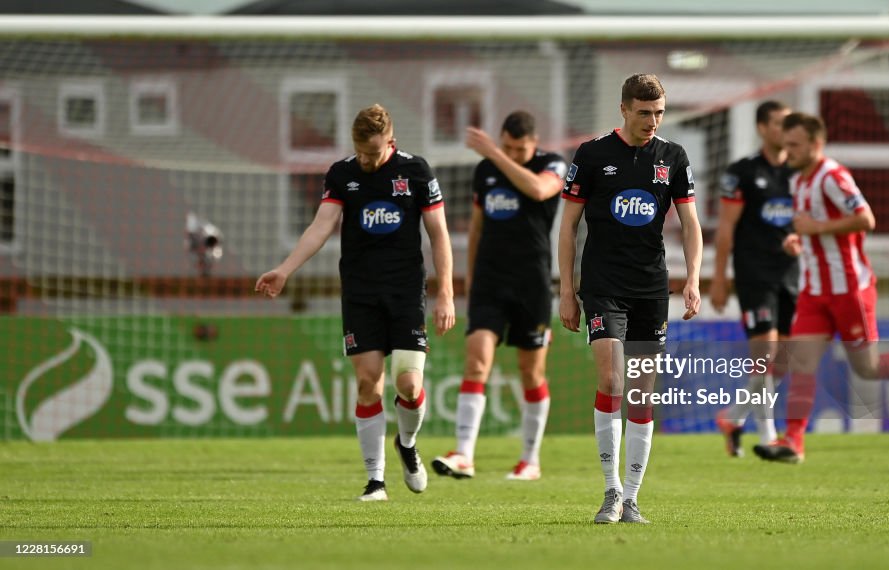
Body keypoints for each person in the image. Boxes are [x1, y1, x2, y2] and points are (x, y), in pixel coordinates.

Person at [255, 104, 456, 500]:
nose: (367, 160)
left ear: (391, 142)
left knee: (410, 385)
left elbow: (439, 234)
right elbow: (321, 227)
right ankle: (375, 480)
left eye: (375, 153)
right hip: (361, 293)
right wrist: (285, 269)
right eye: (361, 152)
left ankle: (408, 444)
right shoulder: (342, 174)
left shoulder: (416, 172)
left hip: (405, 291)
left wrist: (446, 292)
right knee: (368, 383)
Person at [753, 112, 889, 465]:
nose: (788, 151)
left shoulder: (833, 176)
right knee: (801, 362)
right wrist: (800, 241)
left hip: (850, 290)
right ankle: (793, 442)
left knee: (867, 368)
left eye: (795, 145)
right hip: (815, 291)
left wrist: (816, 228)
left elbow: (866, 218)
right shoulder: (799, 181)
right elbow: (813, 229)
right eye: (785, 145)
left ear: (817, 144)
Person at [558, 74, 702, 524]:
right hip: (603, 287)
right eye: (644, 113)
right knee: (612, 381)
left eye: (659, 112)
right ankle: (610, 490)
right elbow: (568, 227)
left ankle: (633, 498)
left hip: (651, 289)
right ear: (624, 109)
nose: (653, 121)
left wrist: (693, 279)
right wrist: (567, 288)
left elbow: (692, 224)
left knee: (641, 392)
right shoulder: (593, 154)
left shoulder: (673, 157)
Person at [431, 112, 567, 482]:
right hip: (490, 283)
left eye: (519, 148)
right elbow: (477, 227)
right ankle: (463, 455)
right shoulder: (485, 172)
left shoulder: (552, 164)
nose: (513, 153)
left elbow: (539, 190)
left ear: (533, 143)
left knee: (531, 371)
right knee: (476, 362)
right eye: (507, 146)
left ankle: (530, 460)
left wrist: (496, 154)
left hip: (532, 285)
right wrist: (470, 277)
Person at [710, 101, 797, 457]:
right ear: (762, 128)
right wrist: (718, 277)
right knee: (764, 356)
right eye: (779, 124)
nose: (785, 131)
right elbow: (727, 227)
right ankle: (768, 437)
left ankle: (733, 417)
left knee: (782, 362)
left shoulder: (799, 172)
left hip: (791, 274)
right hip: (753, 274)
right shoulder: (742, 172)